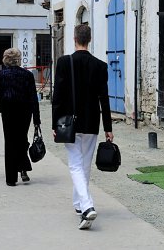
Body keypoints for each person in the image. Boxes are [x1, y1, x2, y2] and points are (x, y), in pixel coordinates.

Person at [52, 24, 114, 230]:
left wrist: (55, 123)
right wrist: (108, 127)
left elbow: (58, 96)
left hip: (69, 122)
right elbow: (104, 99)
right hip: (91, 122)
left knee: (75, 165)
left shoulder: (63, 62)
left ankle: (87, 207)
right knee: (84, 165)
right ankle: (79, 205)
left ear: (74, 39)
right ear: (89, 39)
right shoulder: (100, 65)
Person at [0, 47, 41, 186]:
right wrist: (37, 119)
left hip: (8, 112)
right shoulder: (27, 75)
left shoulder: (2, 74)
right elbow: (33, 98)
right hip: (25, 112)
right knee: (22, 139)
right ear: (18, 60)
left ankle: (11, 178)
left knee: (10, 142)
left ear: (6, 60)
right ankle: (23, 167)